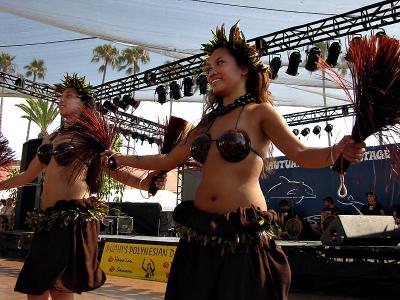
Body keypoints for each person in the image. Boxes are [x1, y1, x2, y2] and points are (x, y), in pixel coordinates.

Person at [102, 23, 365, 300]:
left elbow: (300, 153)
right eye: (208, 66)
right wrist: (119, 158)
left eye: (219, 63)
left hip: (242, 236)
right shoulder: (206, 123)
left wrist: (336, 151)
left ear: (243, 69)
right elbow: (167, 159)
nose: (211, 70)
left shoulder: (260, 113)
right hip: (200, 236)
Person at [0, 73, 165, 300]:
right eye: (60, 96)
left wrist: (145, 183)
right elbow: (27, 175)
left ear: (84, 104)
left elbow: (114, 170)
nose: (61, 99)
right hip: (47, 220)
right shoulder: (51, 139)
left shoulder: (90, 139)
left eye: (69, 96)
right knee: (34, 290)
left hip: (72, 219)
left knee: (60, 289)